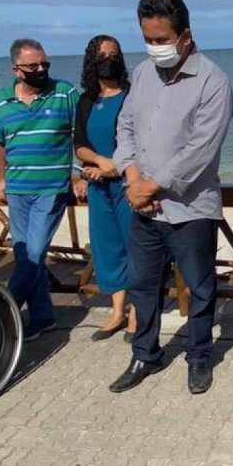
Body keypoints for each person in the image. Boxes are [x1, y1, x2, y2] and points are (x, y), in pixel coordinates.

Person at [108, 0, 233, 395]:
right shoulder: (143, 73)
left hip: (190, 208)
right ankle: (145, 353)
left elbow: (200, 149)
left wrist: (152, 185)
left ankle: (199, 357)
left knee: (199, 287)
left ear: (185, 36)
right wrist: (131, 178)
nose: (155, 47)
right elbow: (125, 125)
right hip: (144, 208)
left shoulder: (213, 80)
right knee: (143, 285)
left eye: (162, 39)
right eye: (148, 38)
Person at [0, 38, 80, 341]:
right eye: (33, 65)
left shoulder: (65, 93)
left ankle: (1, 314)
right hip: (17, 191)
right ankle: (42, 316)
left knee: (34, 252)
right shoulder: (2, 102)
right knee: (27, 256)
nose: (41, 69)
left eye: (45, 64)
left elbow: (80, 135)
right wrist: (0, 177)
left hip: (51, 188)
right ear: (17, 69)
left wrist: (78, 174)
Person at [74, 34, 137, 340]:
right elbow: (79, 145)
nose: (109, 60)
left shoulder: (132, 94)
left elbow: (140, 141)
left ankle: (138, 312)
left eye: (114, 54)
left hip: (128, 183)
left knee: (133, 245)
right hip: (98, 185)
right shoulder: (86, 100)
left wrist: (116, 166)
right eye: (102, 56)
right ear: (92, 61)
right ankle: (117, 312)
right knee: (106, 247)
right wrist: (98, 163)